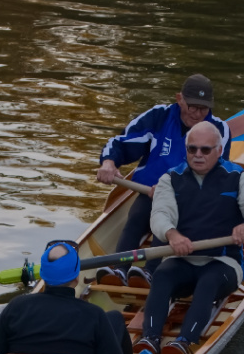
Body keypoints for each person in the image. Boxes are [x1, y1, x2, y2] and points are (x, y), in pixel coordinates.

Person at [134, 121, 244, 354]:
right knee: (161, 275)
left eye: (205, 150)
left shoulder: (238, 178)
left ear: (219, 151)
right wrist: (172, 234)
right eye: (192, 149)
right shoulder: (170, 179)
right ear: (186, 150)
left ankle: (184, 342)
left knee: (209, 282)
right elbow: (159, 216)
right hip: (183, 258)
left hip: (223, 261)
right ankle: (149, 339)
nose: (198, 155)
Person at [95, 74, 232, 288]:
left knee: (166, 219)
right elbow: (122, 142)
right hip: (150, 192)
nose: (197, 114)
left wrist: (174, 186)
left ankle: (150, 272)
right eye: (192, 107)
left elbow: (214, 171)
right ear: (180, 99)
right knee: (137, 216)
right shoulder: (158, 116)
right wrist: (109, 163)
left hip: (191, 198)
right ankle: (118, 269)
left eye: (203, 109)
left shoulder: (219, 130)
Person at [0, 241, 154, 354]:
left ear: (43, 276)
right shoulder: (94, 316)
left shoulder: (16, 307)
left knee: (113, 318)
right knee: (115, 318)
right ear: (76, 278)